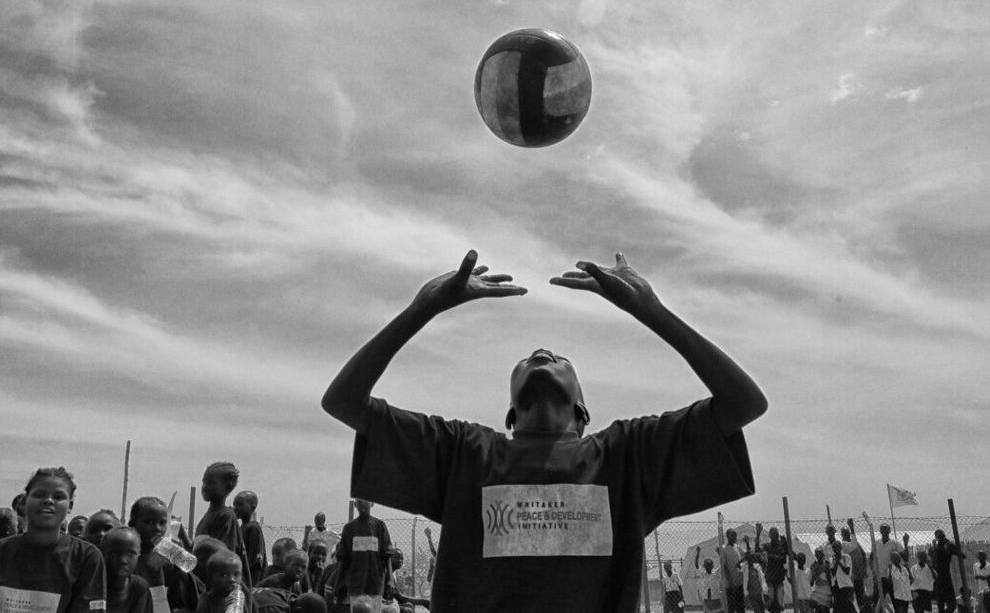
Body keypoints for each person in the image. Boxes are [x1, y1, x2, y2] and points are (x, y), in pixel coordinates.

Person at [322, 251, 766, 612]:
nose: (542, 351)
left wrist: (652, 311)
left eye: (558, 357)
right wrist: (422, 308)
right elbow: (343, 401)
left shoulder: (627, 457)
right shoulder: (463, 453)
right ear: (510, 414)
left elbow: (745, 403)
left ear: (582, 409)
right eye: (529, 358)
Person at [0, 467, 106, 613]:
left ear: (70, 506)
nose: (48, 500)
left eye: (58, 497)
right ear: (24, 502)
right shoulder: (3, 551)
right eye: (39, 494)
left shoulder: (86, 557)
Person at [129, 496, 199, 613]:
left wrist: (181, 567)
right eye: (149, 522)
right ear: (132, 525)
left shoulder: (167, 561)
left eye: (162, 523)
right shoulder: (127, 559)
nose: (157, 528)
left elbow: (181, 601)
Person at [195, 463, 251, 588]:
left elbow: (224, 559)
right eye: (204, 482)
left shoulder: (225, 516)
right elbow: (199, 551)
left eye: (211, 483)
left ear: (227, 487)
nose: (204, 487)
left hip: (224, 590)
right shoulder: (208, 516)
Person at [331, 501, 391, 612]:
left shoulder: (379, 526)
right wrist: (338, 583)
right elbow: (343, 560)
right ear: (355, 505)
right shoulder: (349, 528)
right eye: (359, 501)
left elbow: (387, 556)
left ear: (372, 503)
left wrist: (390, 580)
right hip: (356, 585)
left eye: (366, 500)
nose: (363, 504)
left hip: (375, 584)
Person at [102, 527, 153, 613]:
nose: (123, 560)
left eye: (130, 554)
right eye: (114, 554)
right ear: (103, 554)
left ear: (138, 556)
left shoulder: (140, 588)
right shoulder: (93, 585)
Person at [233, 491, 267, 586]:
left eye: (239, 504)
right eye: (234, 505)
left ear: (252, 507)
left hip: (250, 581)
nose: (235, 508)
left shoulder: (253, 528)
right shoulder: (242, 527)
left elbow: (255, 562)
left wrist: (251, 586)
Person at [756, 524, 788, 613]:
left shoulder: (781, 545)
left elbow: (784, 559)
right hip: (770, 579)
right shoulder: (767, 546)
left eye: (776, 534)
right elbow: (757, 550)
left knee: (779, 605)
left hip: (779, 579)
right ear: (770, 536)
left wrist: (769, 556)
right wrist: (758, 534)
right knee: (771, 605)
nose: (775, 536)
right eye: (773, 534)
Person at [841, 519, 868, 610]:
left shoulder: (855, 544)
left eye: (847, 533)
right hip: (850, 576)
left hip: (859, 574)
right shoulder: (843, 546)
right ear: (842, 535)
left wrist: (864, 569)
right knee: (851, 598)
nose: (846, 534)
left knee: (860, 597)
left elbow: (863, 555)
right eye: (844, 533)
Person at [932, 530, 961, 613]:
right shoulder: (936, 548)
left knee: (951, 604)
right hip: (938, 577)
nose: (940, 538)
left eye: (941, 536)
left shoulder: (947, 545)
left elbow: (958, 553)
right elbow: (933, 562)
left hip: (944, 576)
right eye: (938, 536)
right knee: (941, 603)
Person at [721, 529, 746, 613]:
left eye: (735, 535)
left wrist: (740, 562)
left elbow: (746, 555)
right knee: (731, 607)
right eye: (732, 535)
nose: (735, 537)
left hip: (739, 582)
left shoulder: (737, 547)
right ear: (727, 536)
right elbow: (724, 567)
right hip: (730, 584)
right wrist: (730, 582)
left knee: (741, 607)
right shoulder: (724, 549)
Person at [742, 539, 767, 613]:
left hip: (759, 593)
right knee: (757, 609)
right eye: (749, 557)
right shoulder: (745, 568)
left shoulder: (757, 567)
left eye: (752, 557)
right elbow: (737, 566)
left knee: (761, 609)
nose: (751, 558)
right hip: (751, 594)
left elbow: (758, 554)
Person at [696, 546, 723, 613]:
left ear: (712, 567)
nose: (708, 568)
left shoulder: (715, 574)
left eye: (709, 566)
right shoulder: (703, 574)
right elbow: (696, 565)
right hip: (706, 599)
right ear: (705, 567)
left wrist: (719, 553)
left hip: (715, 598)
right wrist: (698, 553)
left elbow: (722, 564)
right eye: (707, 566)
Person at [830, 540, 855, 613]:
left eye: (837, 547)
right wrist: (836, 561)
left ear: (840, 547)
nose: (836, 550)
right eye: (834, 548)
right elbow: (833, 573)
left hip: (846, 585)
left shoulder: (846, 557)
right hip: (837, 585)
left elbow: (847, 571)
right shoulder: (832, 559)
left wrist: (839, 562)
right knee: (837, 607)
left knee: (848, 606)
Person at [809, 548, 833, 613]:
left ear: (823, 555)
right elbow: (811, 583)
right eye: (817, 555)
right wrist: (815, 571)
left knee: (824, 609)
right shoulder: (813, 566)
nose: (819, 556)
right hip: (818, 591)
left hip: (827, 591)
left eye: (820, 554)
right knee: (817, 608)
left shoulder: (827, 564)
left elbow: (830, 579)